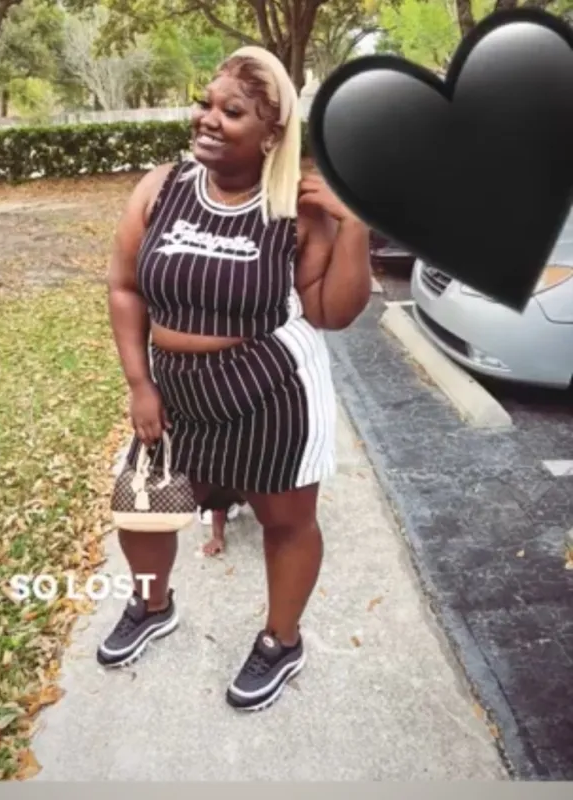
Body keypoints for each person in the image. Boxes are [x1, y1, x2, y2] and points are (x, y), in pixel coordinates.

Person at [100, 45, 371, 712]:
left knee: (286, 522)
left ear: (272, 133)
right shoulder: (160, 189)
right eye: (206, 104)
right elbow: (125, 287)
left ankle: (282, 641)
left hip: (270, 391)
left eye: (233, 111)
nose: (209, 118)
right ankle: (152, 606)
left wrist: (355, 225)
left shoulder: (296, 207)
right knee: (141, 509)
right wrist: (140, 383)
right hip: (175, 393)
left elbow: (331, 312)